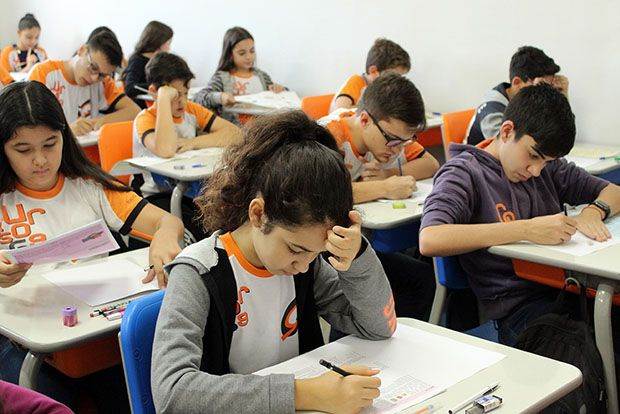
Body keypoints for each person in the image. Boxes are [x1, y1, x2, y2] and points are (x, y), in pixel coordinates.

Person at [151, 111, 396, 413]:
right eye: (295, 249)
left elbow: (378, 327)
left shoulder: (306, 265)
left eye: (315, 253)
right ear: (258, 214)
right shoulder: (199, 272)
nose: (303, 266)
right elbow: (171, 391)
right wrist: (303, 394)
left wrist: (357, 256)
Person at [419, 84, 620, 345]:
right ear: (506, 131)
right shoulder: (464, 173)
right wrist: (526, 229)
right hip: (516, 309)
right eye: (533, 156)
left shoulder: (546, 166)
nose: (536, 170)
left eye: (546, 162)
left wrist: (595, 211)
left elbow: (613, 191)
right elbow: (430, 238)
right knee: (584, 348)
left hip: (564, 290)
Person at [28, 30, 140, 137]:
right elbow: (30, 126)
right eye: (93, 67)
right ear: (82, 50)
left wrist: (98, 122)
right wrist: (68, 131)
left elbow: (135, 111)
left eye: (102, 75)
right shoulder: (43, 73)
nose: (94, 78)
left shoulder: (103, 83)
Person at [467, 45, 569, 146]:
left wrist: (562, 95)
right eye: (541, 87)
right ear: (517, 82)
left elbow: (558, 135)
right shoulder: (492, 110)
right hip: (476, 155)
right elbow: (508, 147)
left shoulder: (521, 101)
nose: (545, 93)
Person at [193, 27, 285, 125]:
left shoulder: (262, 76)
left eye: (252, 51)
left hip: (263, 128)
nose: (249, 57)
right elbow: (198, 98)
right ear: (230, 55)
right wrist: (220, 97)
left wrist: (279, 88)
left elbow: (282, 96)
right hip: (235, 129)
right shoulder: (222, 77)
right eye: (242, 53)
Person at [330, 38, 410, 112]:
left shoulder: (378, 89)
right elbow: (340, 110)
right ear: (373, 71)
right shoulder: (357, 81)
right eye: (392, 77)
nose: (396, 82)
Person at [122, 21, 173, 108]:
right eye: (168, 43)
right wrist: (157, 86)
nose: (169, 48)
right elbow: (129, 88)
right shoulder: (137, 61)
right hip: (142, 108)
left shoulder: (160, 61)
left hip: (156, 104)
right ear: (158, 42)